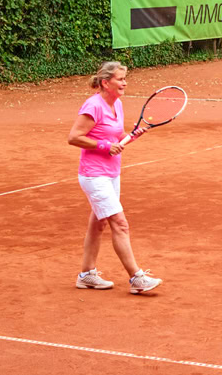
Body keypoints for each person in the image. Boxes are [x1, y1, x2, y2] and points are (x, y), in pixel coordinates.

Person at [67, 61, 160, 293]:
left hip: (111, 174)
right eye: (120, 79)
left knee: (98, 223)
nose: (124, 83)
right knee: (120, 223)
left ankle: (86, 275)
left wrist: (131, 136)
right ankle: (136, 278)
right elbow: (74, 137)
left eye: (125, 78)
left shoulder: (117, 104)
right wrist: (104, 146)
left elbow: (115, 136)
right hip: (94, 175)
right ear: (105, 83)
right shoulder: (93, 106)